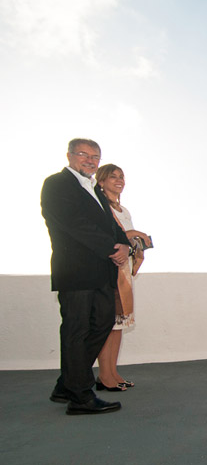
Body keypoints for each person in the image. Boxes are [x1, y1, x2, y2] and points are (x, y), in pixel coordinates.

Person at [41, 139, 131, 414]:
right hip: (76, 271)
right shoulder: (57, 184)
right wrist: (110, 249)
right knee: (76, 331)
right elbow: (72, 223)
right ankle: (79, 397)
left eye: (95, 156)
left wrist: (123, 246)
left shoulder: (95, 190)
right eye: (83, 154)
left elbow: (110, 225)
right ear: (69, 156)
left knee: (102, 323)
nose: (90, 160)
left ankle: (66, 384)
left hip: (102, 273)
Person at [94, 164, 152, 391]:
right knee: (108, 325)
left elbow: (126, 240)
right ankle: (104, 376)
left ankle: (113, 372)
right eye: (112, 177)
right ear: (101, 181)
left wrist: (139, 245)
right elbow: (111, 237)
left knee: (119, 324)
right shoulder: (100, 207)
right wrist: (136, 234)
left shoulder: (124, 210)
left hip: (125, 271)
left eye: (121, 177)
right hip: (110, 271)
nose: (118, 180)